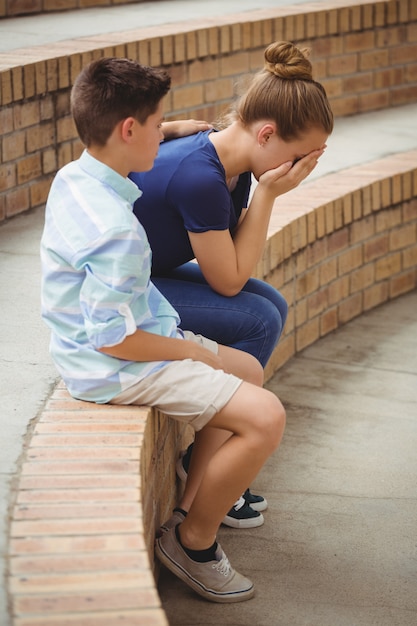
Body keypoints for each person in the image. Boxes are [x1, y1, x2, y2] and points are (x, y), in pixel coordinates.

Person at [40, 56, 286, 603]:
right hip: (111, 365)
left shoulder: (76, 174)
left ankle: (185, 508)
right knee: (266, 416)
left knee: (247, 367)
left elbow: (119, 322)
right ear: (129, 130)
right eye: (157, 122)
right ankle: (193, 543)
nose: (165, 132)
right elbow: (115, 339)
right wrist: (193, 354)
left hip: (119, 336)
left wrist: (170, 130)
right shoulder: (118, 234)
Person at [129, 40, 334, 528]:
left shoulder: (232, 161)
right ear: (266, 134)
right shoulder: (204, 176)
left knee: (272, 303)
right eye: (300, 157)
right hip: (120, 289)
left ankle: (207, 461)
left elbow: (235, 260)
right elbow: (228, 280)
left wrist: (261, 188)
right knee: (255, 317)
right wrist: (269, 193)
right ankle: (208, 473)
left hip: (149, 271)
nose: (301, 169)